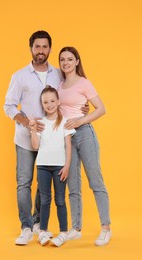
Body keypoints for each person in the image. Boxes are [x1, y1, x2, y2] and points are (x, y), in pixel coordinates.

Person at [4, 30, 61, 245]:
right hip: (25, 138)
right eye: (37, 47)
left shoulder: (57, 74)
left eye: (45, 47)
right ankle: (26, 227)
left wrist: (82, 106)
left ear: (49, 49)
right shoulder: (19, 76)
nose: (41, 51)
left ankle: (38, 222)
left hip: (50, 138)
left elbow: (63, 99)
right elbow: (9, 106)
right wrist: (26, 121)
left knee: (44, 182)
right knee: (24, 182)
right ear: (31, 49)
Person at [57, 46, 112, 246]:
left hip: (84, 134)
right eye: (62, 59)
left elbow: (102, 109)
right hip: (66, 138)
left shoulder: (84, 83)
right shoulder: (59, 85)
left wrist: (80, 120)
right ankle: (76, 228)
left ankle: (106, 228)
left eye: (70, 59)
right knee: (72, 185)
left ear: (77, 61)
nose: (66, 63)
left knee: (95, 181)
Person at [29, 86, 75, 247]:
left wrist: (67, 165)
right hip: (42, 166)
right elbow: (35, 146)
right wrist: (33, 130)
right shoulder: (40, 123)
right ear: (42, 104)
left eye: (52, 101)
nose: (49, 104)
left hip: (59, 167)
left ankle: (63, 233)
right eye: (45, 102)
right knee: (45, 200)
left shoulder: (64, 121)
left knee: (60, 200)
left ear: (58, 101)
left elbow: (68, 145)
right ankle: (43, 231)